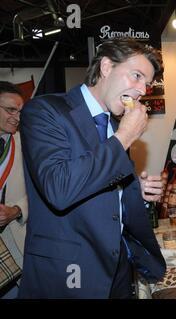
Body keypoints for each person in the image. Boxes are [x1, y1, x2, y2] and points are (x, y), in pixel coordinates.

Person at [19, 37, 166, 298]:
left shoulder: (113, 124)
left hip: (117, 267)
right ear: (106, 67)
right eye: (136, 76)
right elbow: (59, 188)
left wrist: (134, 190)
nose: (142, 90)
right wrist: (124, 138)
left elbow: (100, 183)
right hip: (68, 272)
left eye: (147, 83)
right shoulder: (44, 111)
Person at [0, 82, 28, 298]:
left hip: (14, 247)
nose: (17, 117)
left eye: (20, 111)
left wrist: (17, 210)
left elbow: (42, 190)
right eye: (10, 109)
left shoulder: (27, 143)